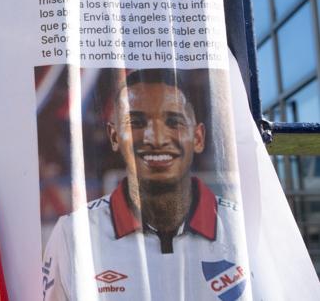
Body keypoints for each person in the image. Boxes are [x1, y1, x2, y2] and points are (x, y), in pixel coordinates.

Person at [41, 69, 250, 300]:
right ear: (114, 137)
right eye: (137, 123)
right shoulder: (73, 233)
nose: (156, 138)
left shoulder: (242, 228)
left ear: (198, 138)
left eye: (173, 122)